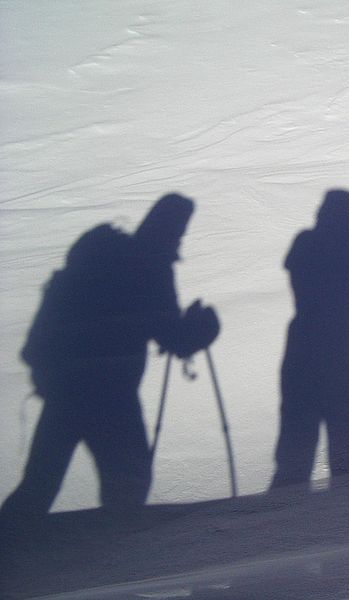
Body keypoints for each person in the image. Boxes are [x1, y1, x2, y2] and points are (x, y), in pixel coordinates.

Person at [1, 193, 220, 517]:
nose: (180, 237)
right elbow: (173, 337)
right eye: (180, 229)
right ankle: (115, 556)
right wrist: (203, 329)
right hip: (112, 396)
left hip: (66, 389)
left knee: (40, 484)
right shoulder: (151, 266)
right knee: (128, 483)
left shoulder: (107, 259)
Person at [272, 190, 349, 489]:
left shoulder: (309, 246)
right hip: (346, 367)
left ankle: (282, 525)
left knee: (297, 456)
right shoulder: (342, 251)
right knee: (347, 463)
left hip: (308, 363)